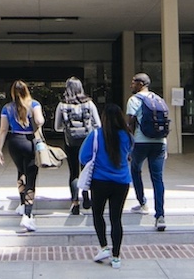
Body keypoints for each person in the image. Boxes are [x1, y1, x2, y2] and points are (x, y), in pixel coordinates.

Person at [81, 102, 133, 269]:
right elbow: (130, 153)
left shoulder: (96, 135)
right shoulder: (127, 135)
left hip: (99, 181)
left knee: (98, 214)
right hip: (122, 181)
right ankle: (116, 256)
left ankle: (103, 247)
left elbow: (83, 157)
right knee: (116, 218)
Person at [0, 79, 45, 231]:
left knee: (20, 172)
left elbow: (3, 129)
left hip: (14, 141)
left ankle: (23, 204)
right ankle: (28, 215)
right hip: (29, 141)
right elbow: (39, 120)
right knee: (31, 176)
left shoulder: (7, 108)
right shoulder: (34, 104)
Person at [126, 72, 168, 231]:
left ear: (141, 84)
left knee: (135, 170)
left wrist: (128, 146)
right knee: (158, 179)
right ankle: (160, 216)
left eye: (133, 82)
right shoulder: (158, 99)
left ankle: (142, 203)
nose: (131, 85)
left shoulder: (134, 100)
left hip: (141, 142)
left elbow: (130, 124)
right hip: (159, 143)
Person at [53, 76, 101, 215]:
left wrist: (69, 129)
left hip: (71, 142)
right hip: (88, 141)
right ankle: (87, 197)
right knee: (88, 170)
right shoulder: (89, 104)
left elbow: (57, 127)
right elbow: (98, 124)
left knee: (74, 172)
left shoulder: (62, 105)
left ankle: (75, 202)